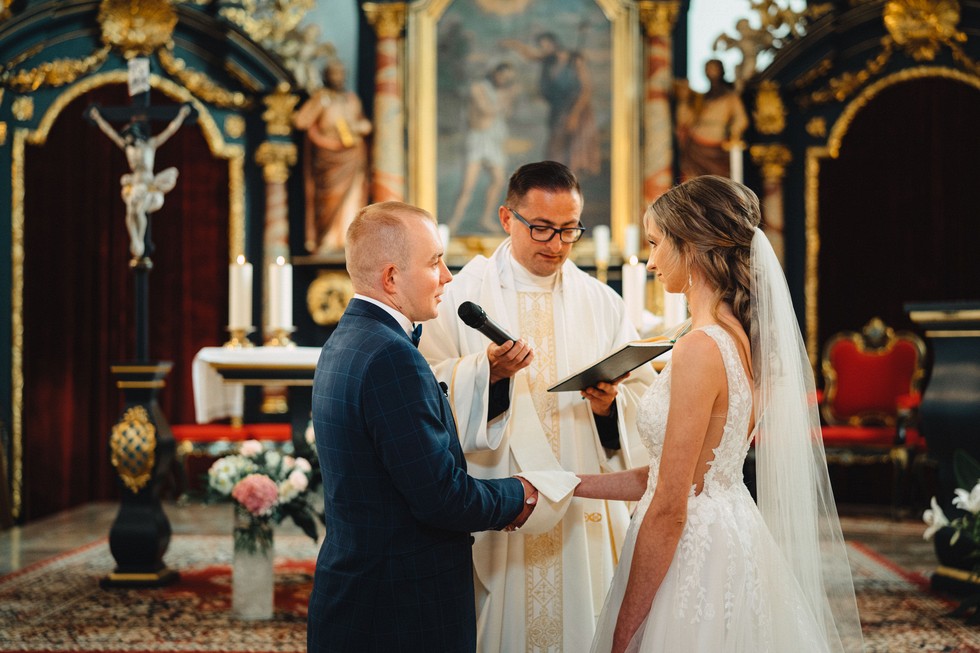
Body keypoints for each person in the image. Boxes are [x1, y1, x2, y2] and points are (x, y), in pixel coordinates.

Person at [574, 176, 864, 652]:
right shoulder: (747, 340)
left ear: (690, 246)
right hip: (732, 535)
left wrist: (624, 630)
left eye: (656, 243)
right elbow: (683, 476)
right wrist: (571, 485)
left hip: (692, 557)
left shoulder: (700, 348)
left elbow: (671, 504)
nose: (650, 261)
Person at [420, 161, 656, 652]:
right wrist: (488, 375)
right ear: (507, 218)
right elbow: (429, 384)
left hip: (582, 502)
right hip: (504, 496)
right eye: (542, 228)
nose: (557, 245)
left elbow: (641, 399)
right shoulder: (459, 297)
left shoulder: (601, 302)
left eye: (570, 230)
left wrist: (607, 408)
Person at [307, 201, 546, 652]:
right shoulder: (391, 356)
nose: (448, 277)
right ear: (391, 278)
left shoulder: (347, 338)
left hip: (357, 590)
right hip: (400, 609)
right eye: (435, 262)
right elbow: (442, 499)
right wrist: (522, 493)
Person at [86, 104, 192, 260]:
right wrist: (98, 118)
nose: (127, 140)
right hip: (133, 186)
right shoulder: (128, 148)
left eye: (129, 137)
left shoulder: (150, 145)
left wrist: (181, 116)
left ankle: (139, 240)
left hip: (149, 187)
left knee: (139, 210)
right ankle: (135, 239)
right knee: (131, 211)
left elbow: (170, 131)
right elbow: (111, 134)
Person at [293, 58, 371, 254]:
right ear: (326, 76)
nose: (338, 77)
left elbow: (366, 124)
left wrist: (359, 127)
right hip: (327, 160)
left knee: (352, 199)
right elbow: (301, 121)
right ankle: (327, 239)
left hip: (352, 156)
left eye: (341, 73)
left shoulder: (351, 99)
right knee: (329, 202)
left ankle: (347, 242)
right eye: (334, 73)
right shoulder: (322, 98)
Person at [502, 32, 601, 177]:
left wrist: (574, 115)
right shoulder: (549, 61)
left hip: (577, 110)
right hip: (558, 110)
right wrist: (515, 45)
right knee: (556, 149)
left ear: (554, 44)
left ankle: (573, 182)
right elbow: (531, 56)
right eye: (541, 47)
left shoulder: (575, 60)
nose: (543, 49)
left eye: (546, 46)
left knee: (574, 151)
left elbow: (586, 90)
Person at [447, 62, 517, 233]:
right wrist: (505, 98)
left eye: (508, 78)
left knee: (498, 179)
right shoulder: (478, 87)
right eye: (502, 76)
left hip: (494, 139)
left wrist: (506, 98)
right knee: (468, 185)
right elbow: (486, 110)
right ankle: (454, 221)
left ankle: (485, 218)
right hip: (478, 138)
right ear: (495, 73)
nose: (504, 80)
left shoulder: (503, 91)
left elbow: (507, 113)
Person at [675, 59, 749, 180]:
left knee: (718, 179)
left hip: (718, 142)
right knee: (694, 179)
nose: (711, 72)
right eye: (708, 69)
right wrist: (683, 100)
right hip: (695, 143)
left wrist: (734, 132)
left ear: (721, 71)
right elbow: (686, 120)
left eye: (714, 68)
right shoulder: (702, 98)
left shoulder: (730, 97)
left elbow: (741, 119)